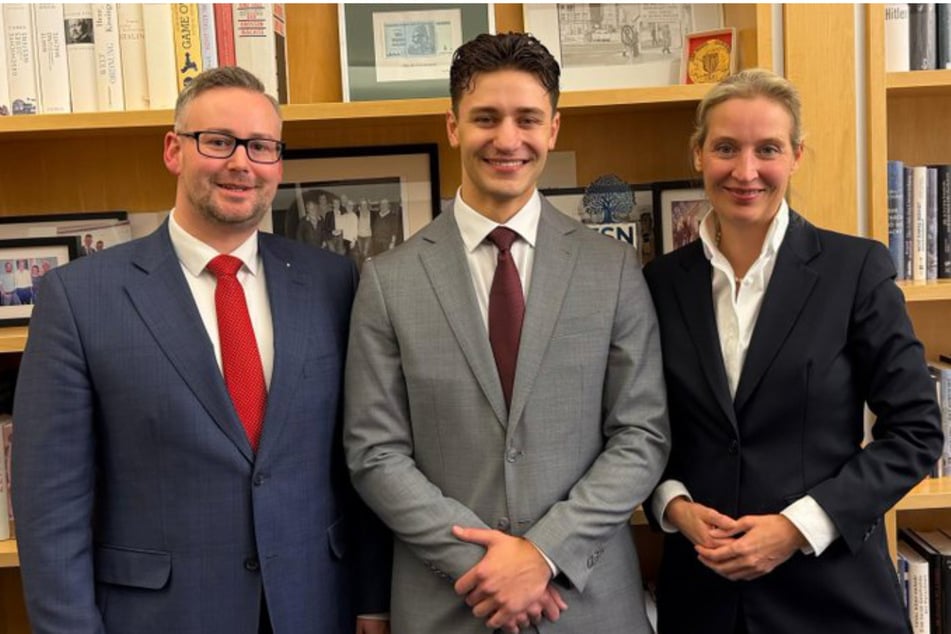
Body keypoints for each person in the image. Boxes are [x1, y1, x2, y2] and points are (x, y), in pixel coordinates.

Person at [12, 66, 391, 634]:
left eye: (262, 147)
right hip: (159, 616)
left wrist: (372, 600)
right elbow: (50, 503)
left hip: (315, 606)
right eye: (218, 142)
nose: (242, 163)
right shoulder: (80, 296)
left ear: (279, 163)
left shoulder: (333, 281)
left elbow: (357, 459)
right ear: (174, 150)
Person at [344, 32, 669, 634]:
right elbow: (375, 453)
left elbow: (641, 435)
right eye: (485, 118)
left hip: (587, 603)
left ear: (553, 128)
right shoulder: (388, 280)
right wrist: (491, 567)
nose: (507, 139)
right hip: (451, 603)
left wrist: (543, 555)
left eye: (527, 119)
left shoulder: (614, 270)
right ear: (453, 126)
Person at [642, 68, 943, 634]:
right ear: (699, 153)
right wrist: (672, 504)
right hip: (703, 597)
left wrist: (797, 527)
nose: (746, 170)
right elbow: (641, 426)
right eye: (726, 147)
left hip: (831, 599)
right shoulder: (657, 284)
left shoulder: (854, 269)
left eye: (768, 149)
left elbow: (918, 431)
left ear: (796, 156)